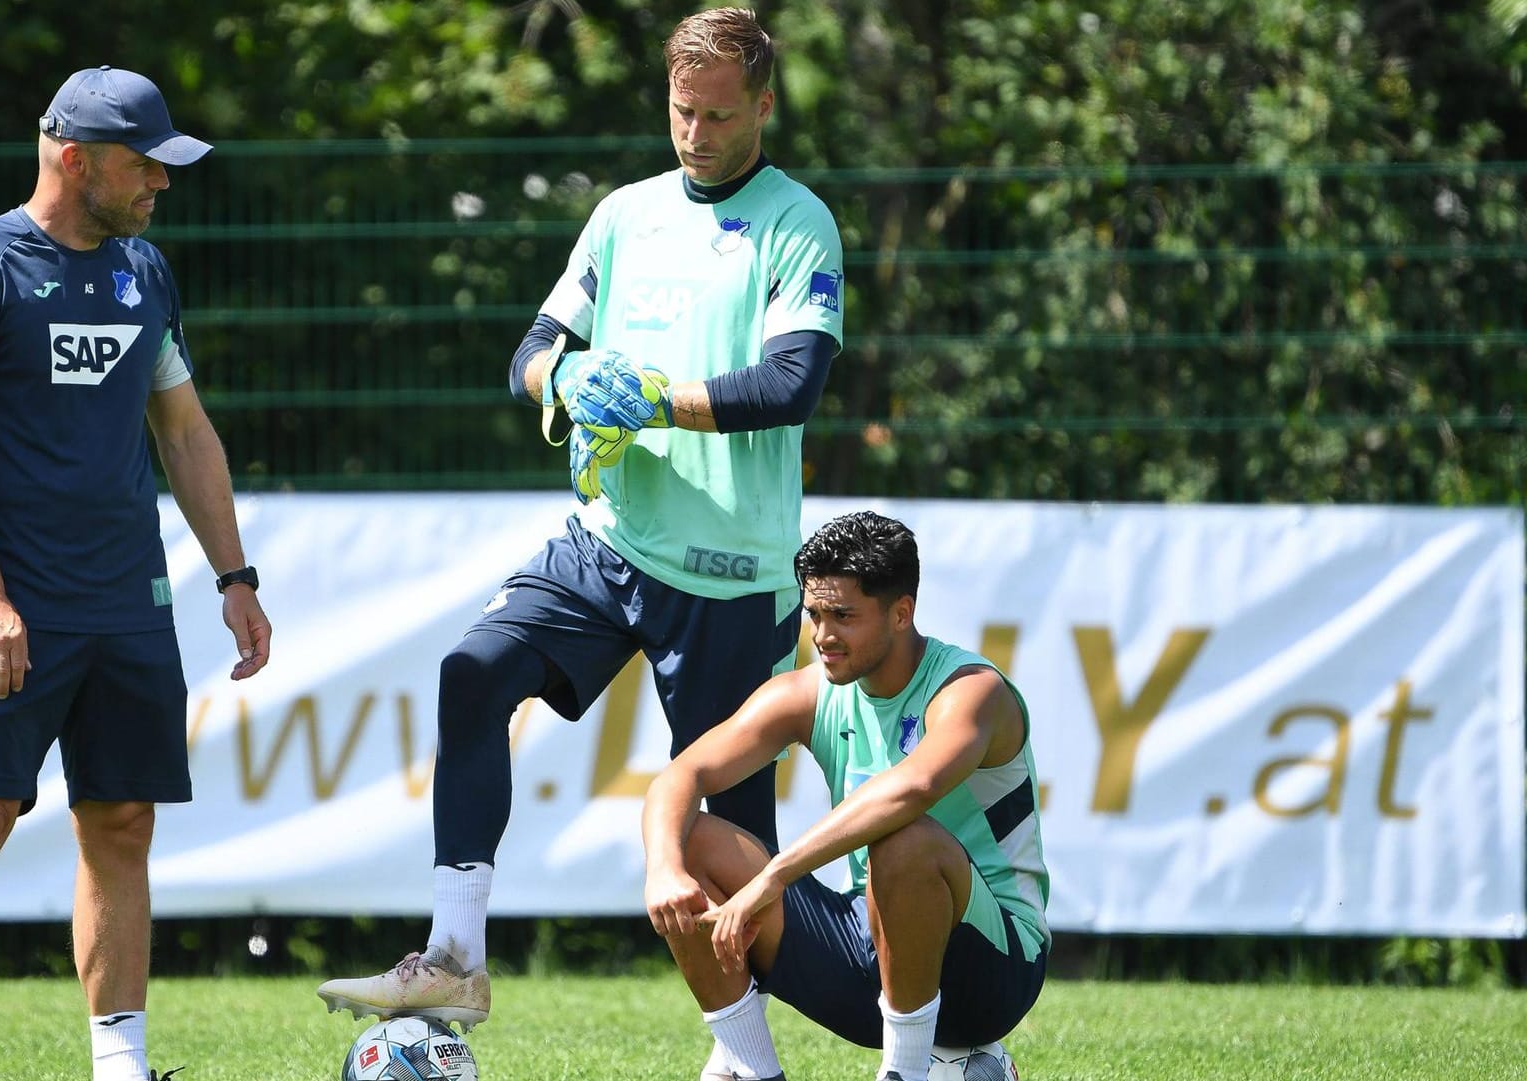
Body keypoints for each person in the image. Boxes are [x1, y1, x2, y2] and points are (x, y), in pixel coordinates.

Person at [317, 6, 844, 1032]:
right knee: (473, 673)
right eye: (682, 111)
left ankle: (859, 1030)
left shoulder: (797, 223)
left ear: (765, 108)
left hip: (731, 577)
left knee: (722, 843)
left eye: (721, 116)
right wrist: (565, 383)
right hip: (606, 545)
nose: (696, 134)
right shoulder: (624, 214)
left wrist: (646, 396)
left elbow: (792, 383)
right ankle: (456, 957)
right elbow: (531, 350)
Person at [0, 67, 271, 1081]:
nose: (160, 185)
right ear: (75, 158)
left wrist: (234, 574)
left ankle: (119, 1065)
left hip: (128, 606)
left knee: (123, 823)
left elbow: (183, 430)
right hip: (16, 609)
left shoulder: (146, 270)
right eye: (144, 165)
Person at [641, 512, 1049, 1081]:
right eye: (814, 614)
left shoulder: (970, 690)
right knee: (691, 841)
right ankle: (751, 1068)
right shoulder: (807, 692)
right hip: (873, 958)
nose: (823, 636)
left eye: (843, 616)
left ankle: (906, 1071)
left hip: (995, 972)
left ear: (901, 612)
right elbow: (680, 777)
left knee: (904, 839)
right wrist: (663, 869)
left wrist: (774, 874)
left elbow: (913, 788)